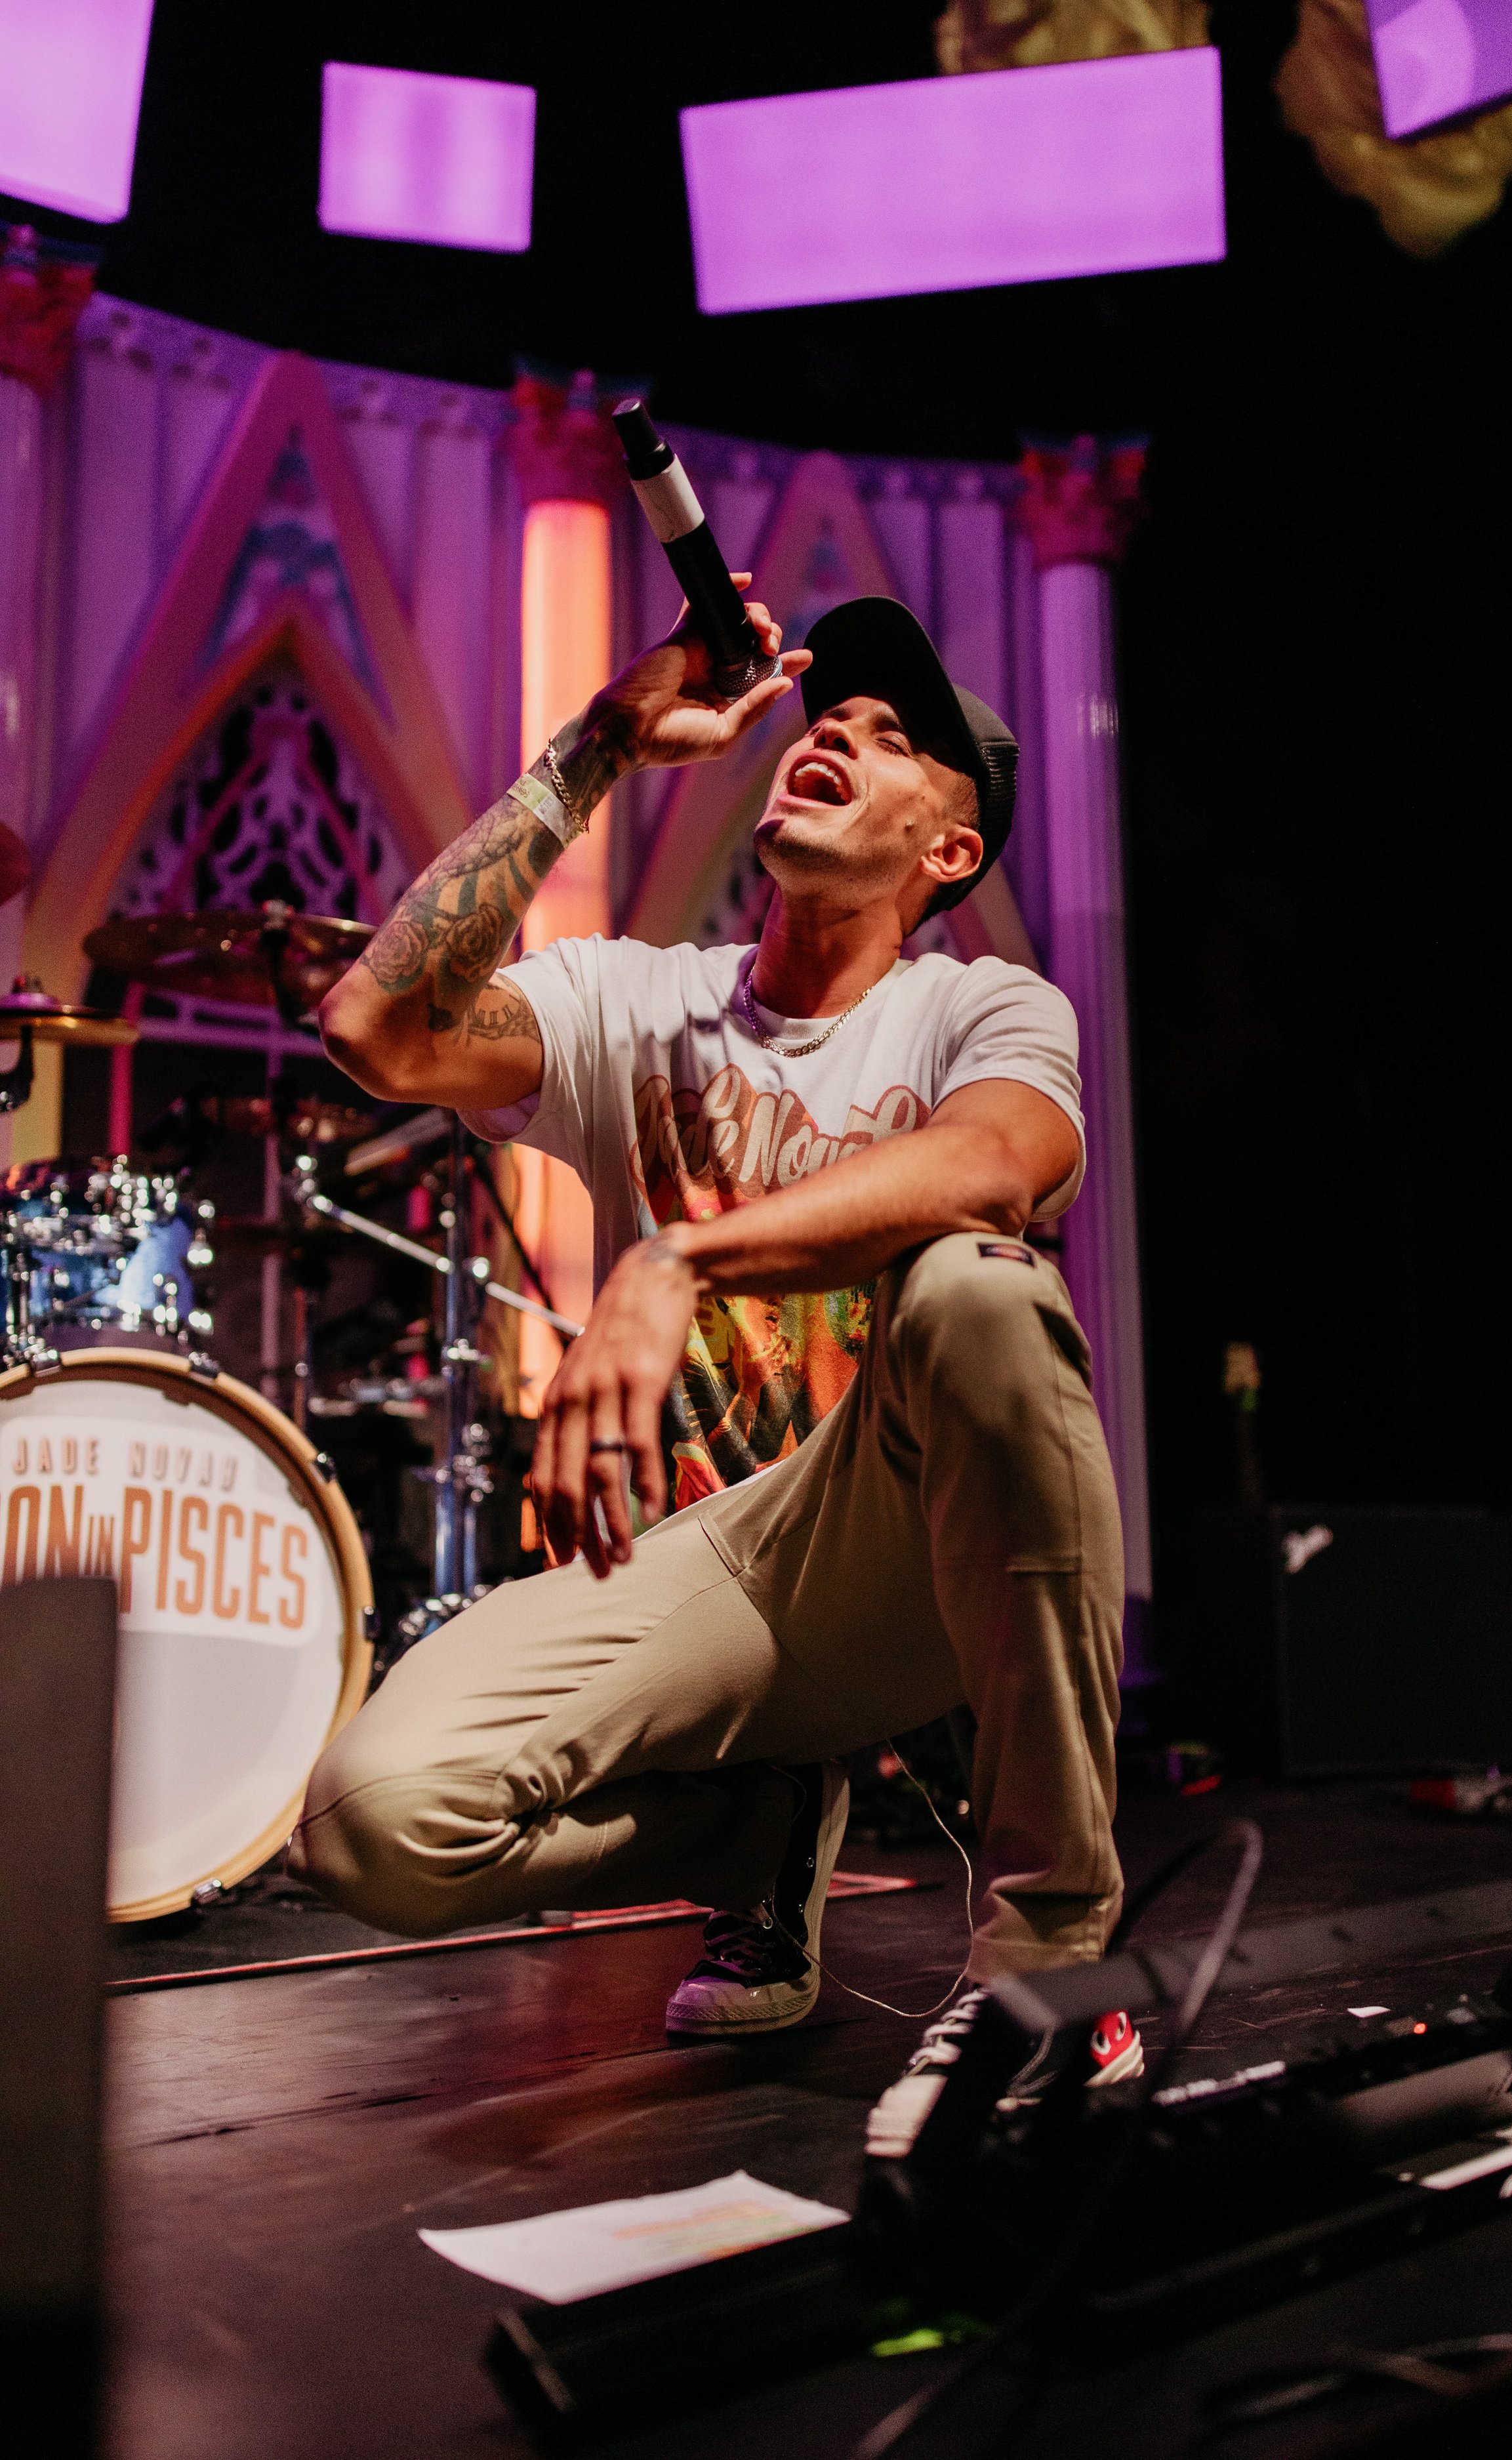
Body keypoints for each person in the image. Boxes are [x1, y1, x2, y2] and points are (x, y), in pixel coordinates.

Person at [290, 582, 1137, 2155]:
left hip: (896, 1541)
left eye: (891, 741)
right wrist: (598, 745)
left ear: (949, 854)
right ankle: (756, 1828)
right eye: (831, 716)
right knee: (373, 1824)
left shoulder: (979, 1006)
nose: (835, 735)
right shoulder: (634, 998)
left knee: (978, 1291)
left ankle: (1050, 1971)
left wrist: (679, 1260)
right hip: (702, 1575)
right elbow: (373, 1031)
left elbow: (999, 1162)